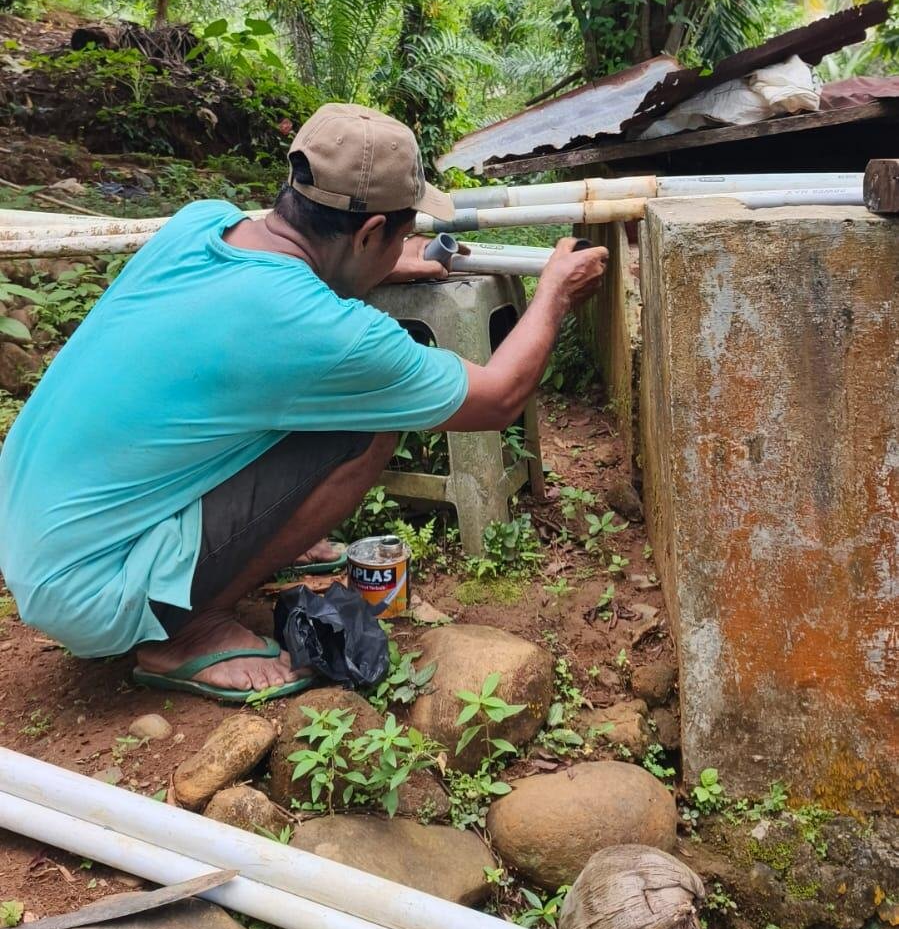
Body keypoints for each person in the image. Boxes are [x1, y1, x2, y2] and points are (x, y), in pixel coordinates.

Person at [0, 103, 607, 701]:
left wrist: (376, 268)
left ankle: (250, 547)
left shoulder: (200, 224)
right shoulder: (322, 332)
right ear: (370, 233)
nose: (402, 249)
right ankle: (183, 631)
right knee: (371, 429)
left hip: (33, 535)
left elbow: (292, 261)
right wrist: (552, 292)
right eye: (398, 237)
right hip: (93, 588)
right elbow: (498, 397)